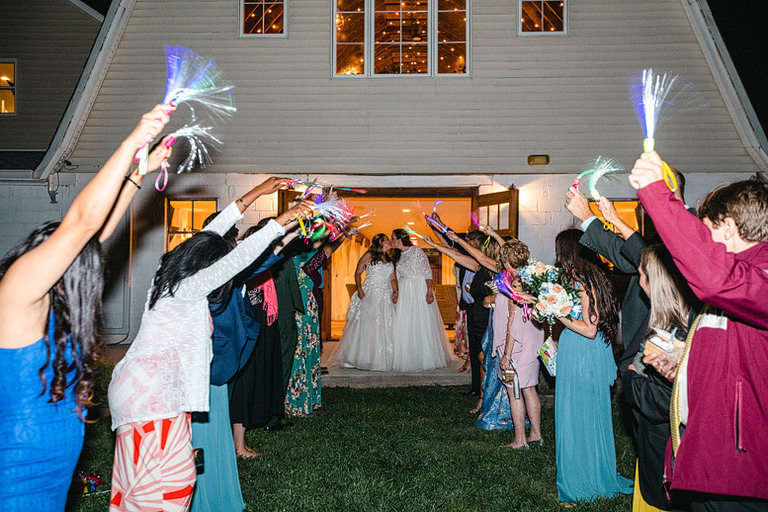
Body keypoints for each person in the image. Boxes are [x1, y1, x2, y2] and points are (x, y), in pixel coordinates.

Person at [0, 104, 173, 510]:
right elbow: (82, 225)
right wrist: (133, 141)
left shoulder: (56, 313)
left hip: (50, 489)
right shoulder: (16, 298)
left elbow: (94, 236)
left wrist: (139, 174)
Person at [108, 178, 310, 511]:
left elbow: (208, 236)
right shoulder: (190, 288)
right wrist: (283, 220)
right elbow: (238, 259)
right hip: (154, 396)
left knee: (137, 485)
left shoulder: (168, 274)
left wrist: (256, 193)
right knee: (168, 486)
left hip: (135, 388)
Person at [630, 152, 768, 511]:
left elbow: (716, 279)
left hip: (743, 469)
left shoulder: (757, 277)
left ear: (729, 228)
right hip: (712, 460)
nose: (702, 241)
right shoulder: (733, 287)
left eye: (705, 230)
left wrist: (658, 196)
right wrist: (679, 368)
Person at [551, 229, 633, 505]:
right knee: (583, 415)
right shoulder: (581, 280)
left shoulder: (585, 285)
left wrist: (558, 314)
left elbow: (589, 328)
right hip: (580, 351)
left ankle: (579, 484)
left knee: (578, 417)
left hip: (583, 353)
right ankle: (589, 472)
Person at [623, 244, 697, 512]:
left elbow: (667, 400)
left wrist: (631, 381)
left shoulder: (674, 330)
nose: (638, 278)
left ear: (652, 281)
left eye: (641, 273)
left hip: (665, 444)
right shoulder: (665, 318)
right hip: (652, 440)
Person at [497, 241, 545, 449]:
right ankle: (536, 434)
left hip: (516, 345)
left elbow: (513, 322)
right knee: (529, 388)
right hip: (533, 340)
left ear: (507, 262)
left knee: (514, 391)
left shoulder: (514, 284)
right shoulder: (534, 278)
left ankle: (520, 439)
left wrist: (506, 354)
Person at [389, 228, 452, 371]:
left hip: (418, 287)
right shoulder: (396, 256)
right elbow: (396, 277)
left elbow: (427, 272)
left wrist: (429, 290)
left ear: (400, 239)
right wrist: (396, 292)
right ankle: (406, 356)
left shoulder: (416, 251)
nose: (391, 240)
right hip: (404, 289)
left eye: (393, 238)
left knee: (420, 321)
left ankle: (423, 356)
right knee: (404, 322)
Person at [335, 233, 398, 371]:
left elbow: (393, 278)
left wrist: (396, 291)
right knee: (369, 325)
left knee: (385, 325)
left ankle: (383, 358)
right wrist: (359, 289)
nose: (389, 241)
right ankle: (364, 358)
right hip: (371, 293)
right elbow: (358, 273)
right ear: (380, 242)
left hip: (385, 295)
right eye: (386, 240)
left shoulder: (389, 259)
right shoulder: (369, 255)